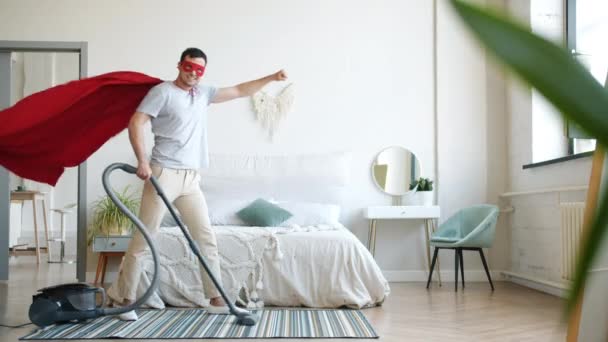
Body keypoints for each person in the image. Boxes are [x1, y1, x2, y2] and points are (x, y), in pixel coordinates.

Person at [107, 47, 287, 321]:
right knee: (145, 237)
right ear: (180, 65)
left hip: (191, 178)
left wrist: (272, 77)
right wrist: (142, 161)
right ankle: (125, 300)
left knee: (205, 237)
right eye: (189, 67)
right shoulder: (163, 92)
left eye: (199, 70)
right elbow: (136, 122)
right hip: (163, 173)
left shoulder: (203, 94)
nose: (193, 73)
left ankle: (215, 298)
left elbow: (240, 90)